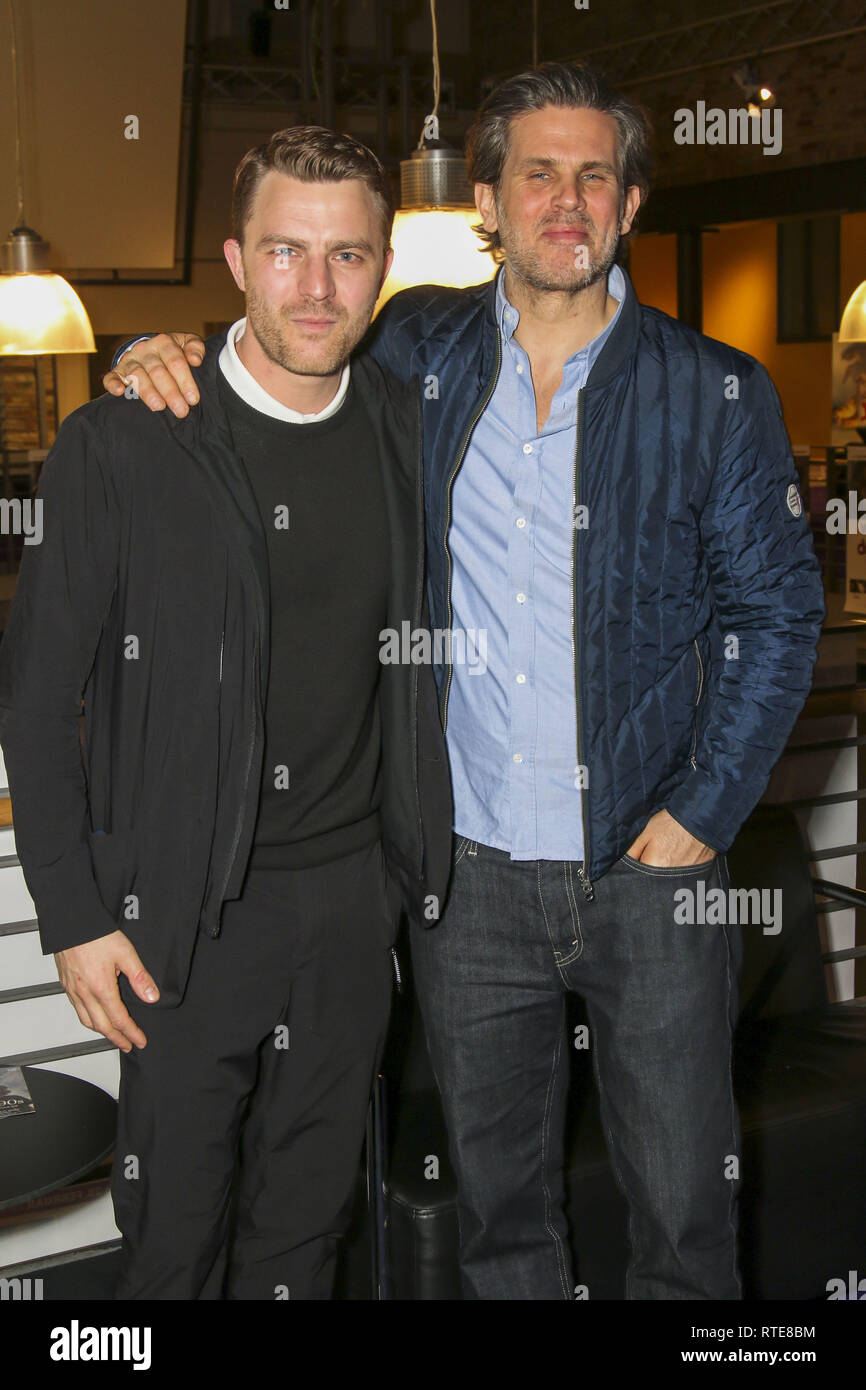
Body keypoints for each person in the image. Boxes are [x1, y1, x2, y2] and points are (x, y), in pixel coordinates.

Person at [104, 62, 826, 1300]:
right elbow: (279, 346)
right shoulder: (412, 351)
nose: (563, 200)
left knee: (682, 1236)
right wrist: (147, 354)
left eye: (591, 174)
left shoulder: (713, 392)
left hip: (649, 877)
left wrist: (701, 812)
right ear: (485, 197)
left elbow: (779, 613)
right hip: (464, 879)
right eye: (534, 173)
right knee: (501, 1228)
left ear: (629, 204)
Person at [0, 125, 451, 1300]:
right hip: (185, 915)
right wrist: (73, 911)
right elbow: (40, 696)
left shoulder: (415, 433)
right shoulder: (127, 442)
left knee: (308, 1226)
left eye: (346, 255)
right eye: (285, 252)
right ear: (235, 260)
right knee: (175, 1236)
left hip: (354, 904)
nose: (315, 286)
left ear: (383, 263)